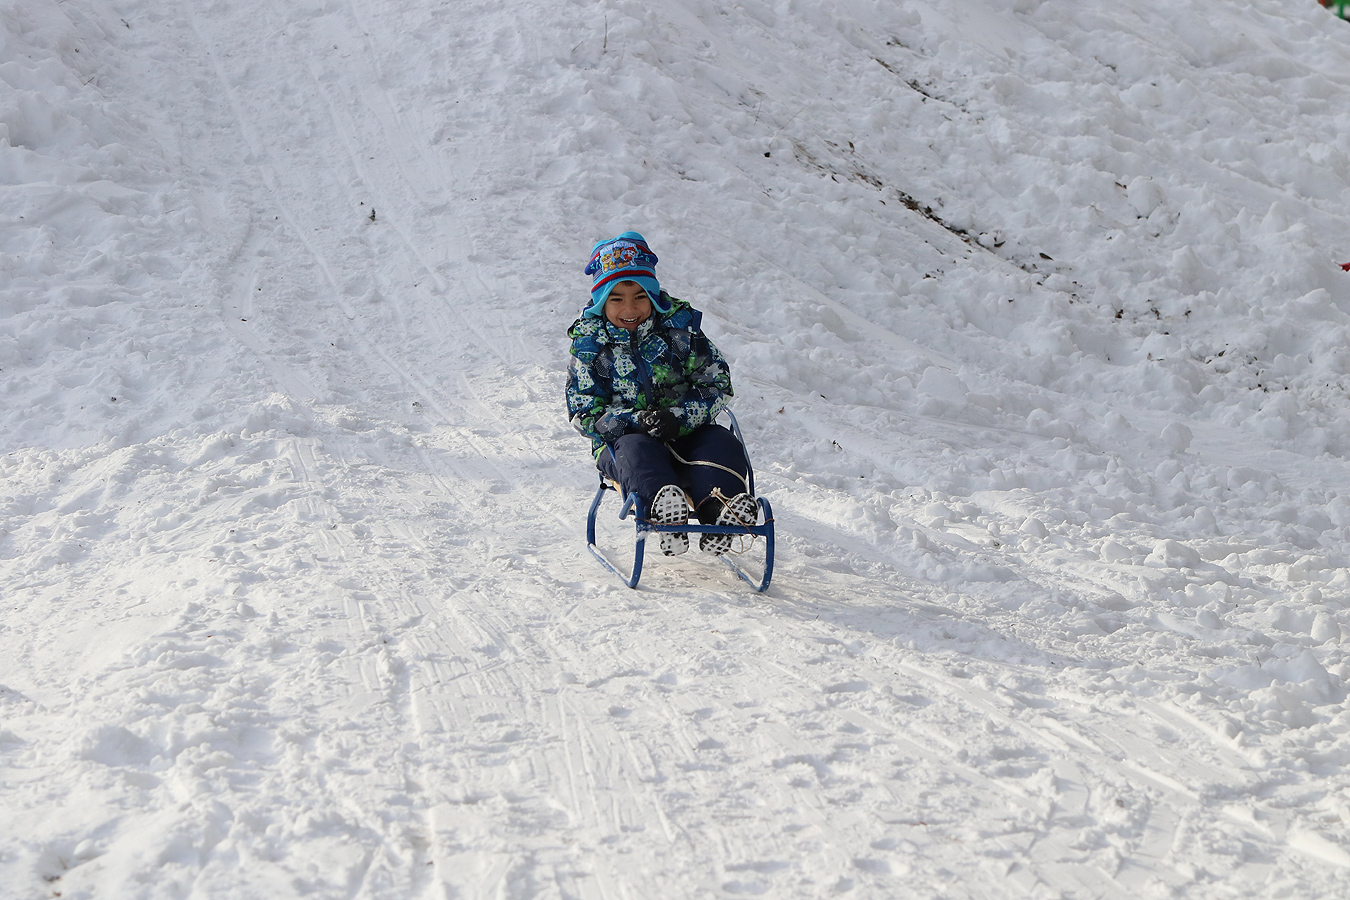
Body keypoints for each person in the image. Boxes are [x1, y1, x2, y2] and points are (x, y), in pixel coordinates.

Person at [566, 231, 758, 556]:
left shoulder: (679, 335)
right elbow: (584, 413)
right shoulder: (592, 348)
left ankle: (720, 511)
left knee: (720, 442)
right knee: (637, 451)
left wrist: (679, 418)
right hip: (624, 443)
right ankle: (664, 509)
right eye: (616, 298)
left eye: (640, 296)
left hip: (686, 431)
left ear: (654, 296)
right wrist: (636, 421)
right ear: (601, 302)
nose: (630, 307)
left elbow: (716, 383)